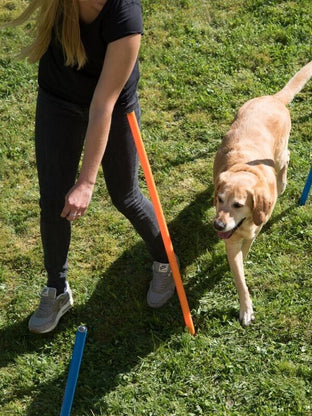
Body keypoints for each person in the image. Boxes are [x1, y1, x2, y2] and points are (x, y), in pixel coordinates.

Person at [9, 0, 176, 334]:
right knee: (53, 201)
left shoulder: (124, 14)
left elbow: (104, 104)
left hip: (112, 108)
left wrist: (86, 182)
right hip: (57, 100)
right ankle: (57, 289)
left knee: (125, 195)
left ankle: (166, 261)